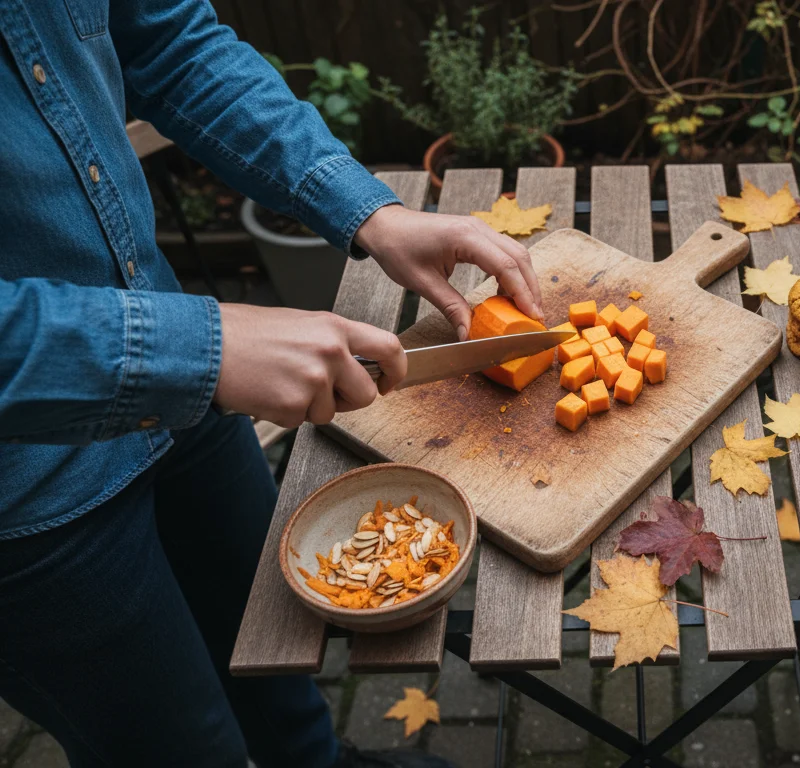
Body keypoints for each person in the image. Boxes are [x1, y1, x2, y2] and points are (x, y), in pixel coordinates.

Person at [0, 0, 544, 765]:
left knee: (278, 677)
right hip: (27, 508)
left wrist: (368, 211)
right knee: (181, 749)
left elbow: (172, 45)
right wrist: (200, 352)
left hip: (181, 380)